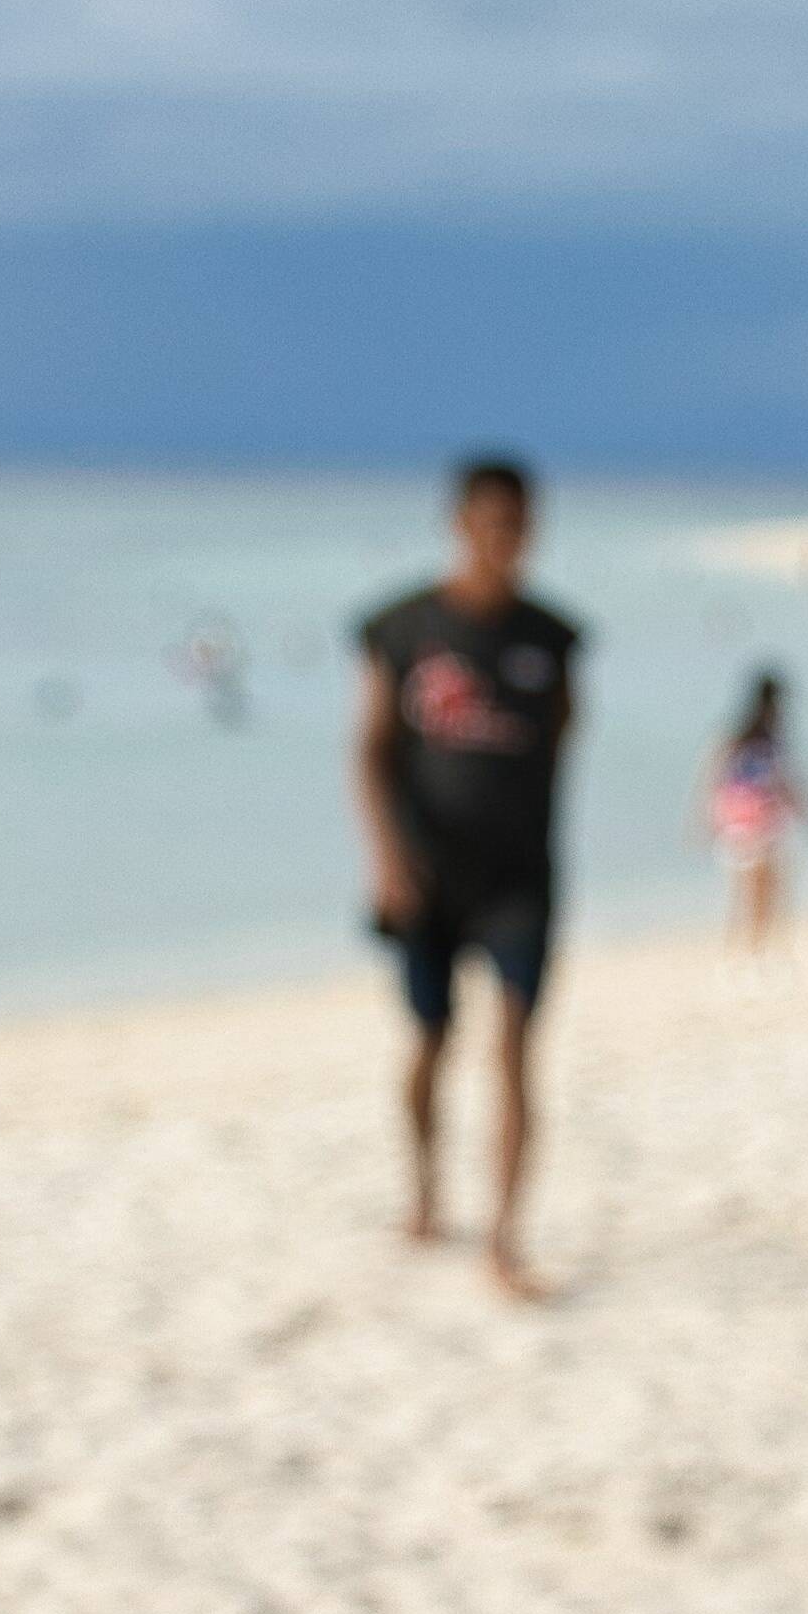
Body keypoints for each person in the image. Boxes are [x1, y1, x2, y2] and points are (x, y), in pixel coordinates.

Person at [356, 457, 581, 1297]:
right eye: (490, 525)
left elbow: (560, 754)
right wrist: (386, 857)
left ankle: (505, 1238)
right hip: (425, 874)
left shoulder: (555, 640)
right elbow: (372, 750)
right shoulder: (404, 629)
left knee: (517, 1046)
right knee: (429, 1039)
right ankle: (423, 1194)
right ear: (459, 525)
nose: (504, 542)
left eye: (519, 526)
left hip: (520, 876)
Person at [697, 666, 808, 957]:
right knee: (757, 894)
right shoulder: (756, 741)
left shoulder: (739, 738)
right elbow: (784, 783)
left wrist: (706, 820)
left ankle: (751, 953)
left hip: (752, 823)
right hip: (751, 823)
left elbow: (711, 779)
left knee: (751, 894)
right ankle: (749, 953)